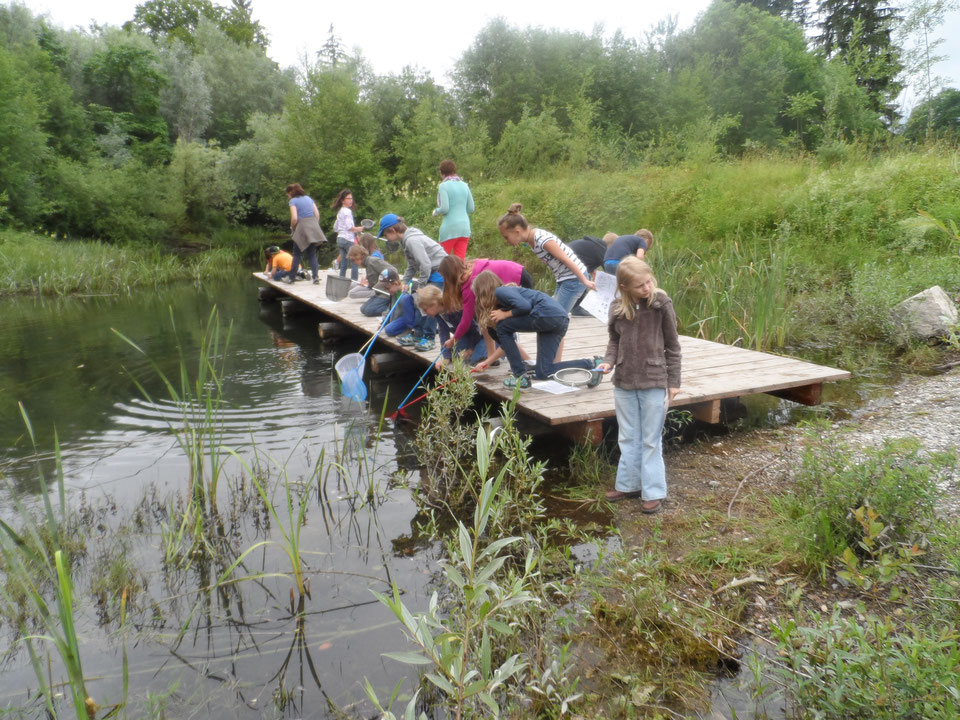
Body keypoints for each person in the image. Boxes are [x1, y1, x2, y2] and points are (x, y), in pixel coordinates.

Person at [596, 257, 681, 515]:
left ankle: (654, 491)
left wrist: (674, 381)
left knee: (650, 439)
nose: (647, 288)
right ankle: (628, 484)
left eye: (648, 281)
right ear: (624, 287)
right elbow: (613, 342)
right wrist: (608, 362)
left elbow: (673, 346)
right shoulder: (616, 309)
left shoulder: (661, 304)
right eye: (640, 285)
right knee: (628, 435)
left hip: (654, 379)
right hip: (623, 380)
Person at [471, 270, 602, 389]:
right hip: (558, 320)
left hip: (548, 314)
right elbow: (506, 344)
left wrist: (505, 314)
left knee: (503, 327)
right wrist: (487, 362)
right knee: (544, 372)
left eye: (477, 294)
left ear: (483, 291)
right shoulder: (503, 303)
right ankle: (592, 364)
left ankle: (520, 377)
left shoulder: (501, 291)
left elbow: (525, 306)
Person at [497, 203, 597, 315]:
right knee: (551, 314)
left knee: (555, 316)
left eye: (506, 237)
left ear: (517, 232)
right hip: (564, 279)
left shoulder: (541, 239)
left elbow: (565, 259)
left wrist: (585, 280)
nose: (506, 241)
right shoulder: (531, 241)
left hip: (574, 279)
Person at [438, 255, 534, 361]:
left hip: (518, 279)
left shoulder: (469, 285)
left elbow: (466, 321)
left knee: (502, 328)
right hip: (518, 272)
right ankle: (491, 356)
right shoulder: (469, 269)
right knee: (484, 319)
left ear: (449, 276)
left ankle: (527, 360)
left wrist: (454, 339)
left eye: (444, 278)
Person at [378, 213, 447, 351]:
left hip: (440, 273)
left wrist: (421, 287)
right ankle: (418, 334)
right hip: (430, 273)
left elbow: (426, 265)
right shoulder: (406, 241)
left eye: (386, 234)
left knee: (430, 306)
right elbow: (412, 265)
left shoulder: (411, 240)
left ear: (392, 230)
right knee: (418, 304)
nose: (387, 238)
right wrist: (405, 281)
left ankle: (429, 338)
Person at [417, 285, 488, 369]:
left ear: (434, 303)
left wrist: (471, 349)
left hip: (482, 334)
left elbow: (474, 328)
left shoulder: (454, 309)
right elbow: (443, 332)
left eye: (425, 309)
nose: (424, 312)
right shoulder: (438, 314)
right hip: (465, 334)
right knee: (456, 356)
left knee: (476, 359)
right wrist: (446, 357)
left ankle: (493, 353)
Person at [433, 159, 475, 259]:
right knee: (459, 264)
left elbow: (445, 208)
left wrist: (436, 211)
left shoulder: (443, 186)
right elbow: (471, 208)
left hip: (449, 229)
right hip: (464, 228)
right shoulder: (465, 185)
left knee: (442, 261)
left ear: (442, 173)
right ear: (454, 171)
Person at [286, 183, 327, 284]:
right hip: (313, 225)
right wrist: (314, 225)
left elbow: (295, 218)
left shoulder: (293, 201)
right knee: (312, 254)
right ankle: (315, 277)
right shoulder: (309, 198)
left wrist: (292, 227)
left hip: (302, 227)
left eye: (288, 194)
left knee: (296, 254)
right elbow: (317, 214)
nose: (288, 196)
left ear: (291, 192)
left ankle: (291, 278)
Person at [567, 233, 617, 316]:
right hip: (568, 258)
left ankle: (575, 305)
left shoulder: (596, 245)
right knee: (584, 278)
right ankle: (576, 308)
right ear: (612, 246)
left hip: (565, 256)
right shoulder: (602, 249)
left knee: (583, 277)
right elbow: (608, 269)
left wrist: (593, 271)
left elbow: (586, 258)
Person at [332, 189, 363, 281]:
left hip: (340, 239)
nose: (351, 200)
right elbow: (350, 227)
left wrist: (343, 231)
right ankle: (354, 281)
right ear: (343, 200)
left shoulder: (340, 211)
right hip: (348, 240)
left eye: (351, 198)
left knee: (344, 263)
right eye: (348, 198)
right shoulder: (347, 211)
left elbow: (335, 227)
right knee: (355, 261)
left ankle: (341, 281)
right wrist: (360, 229)